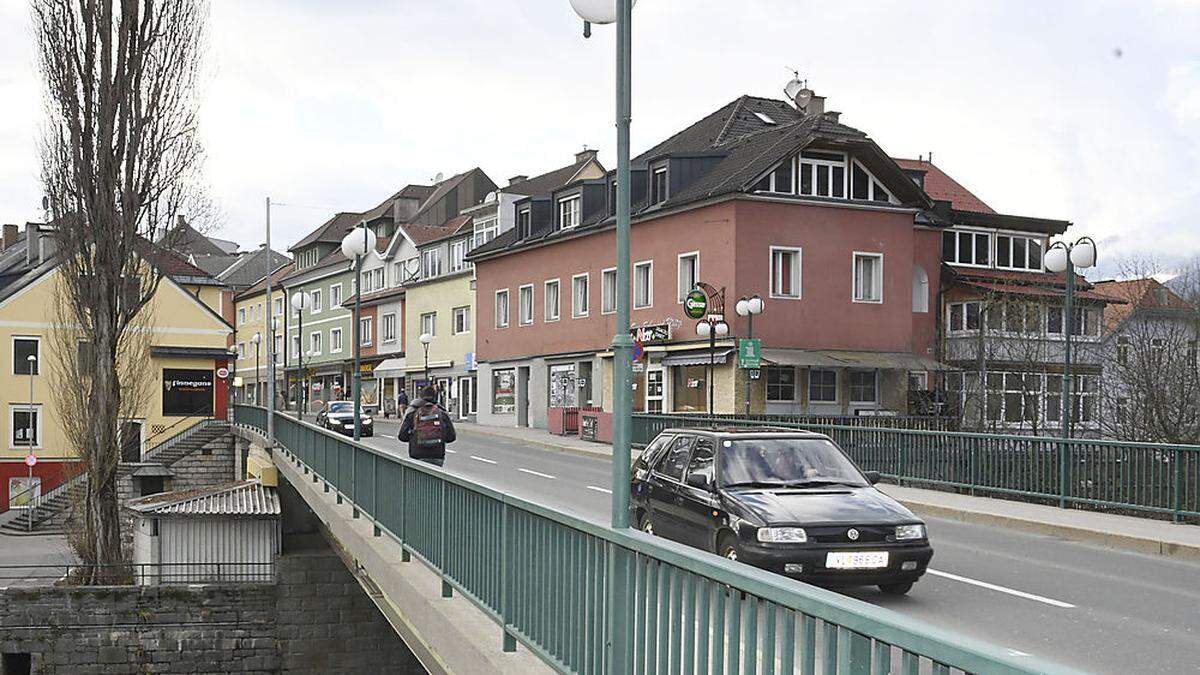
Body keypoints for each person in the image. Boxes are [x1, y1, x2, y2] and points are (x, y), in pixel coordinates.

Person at [398, 385, 456, 467]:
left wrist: (415, 437)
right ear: (435, 397)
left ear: (420, 397)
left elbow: (402, 436)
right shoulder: (441, 412)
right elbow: (451, 437)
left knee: (416, 479)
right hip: (437, 455)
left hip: (417, 454)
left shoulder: (412, 411)